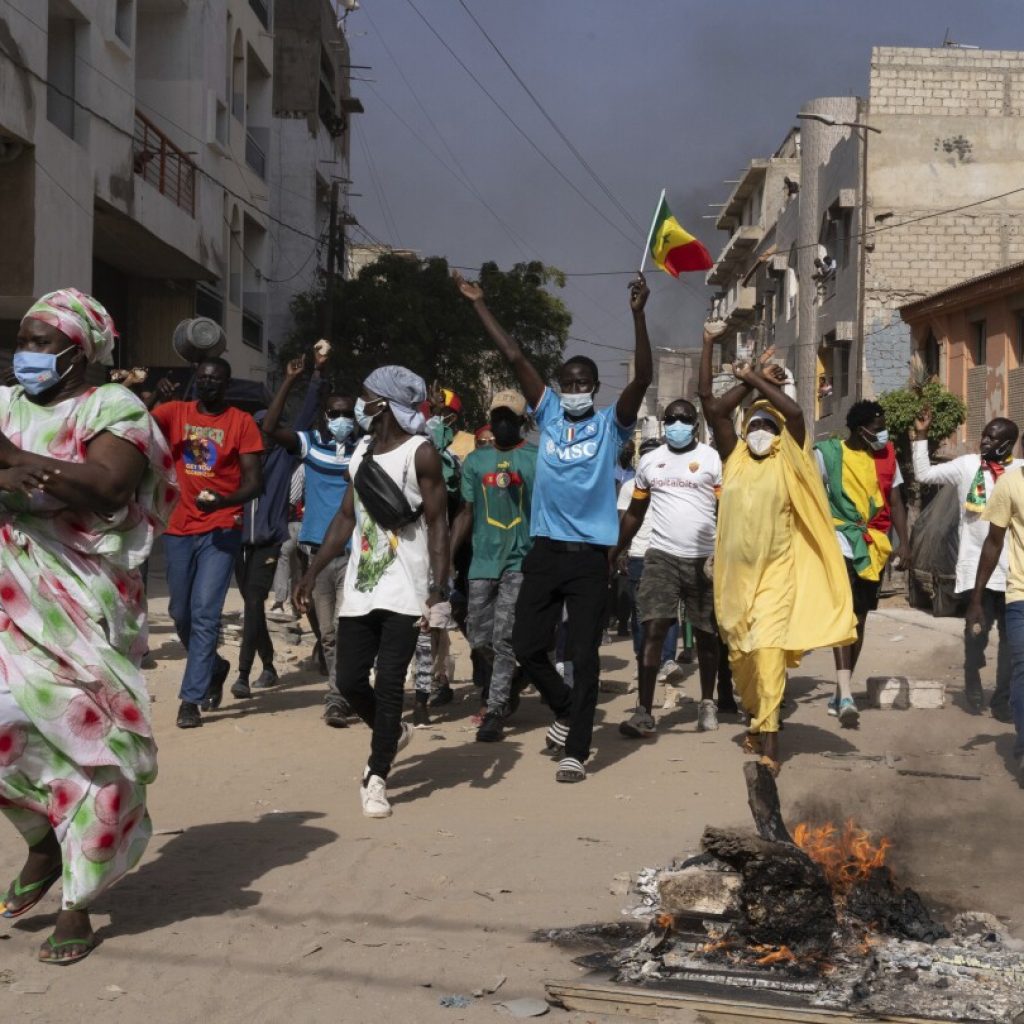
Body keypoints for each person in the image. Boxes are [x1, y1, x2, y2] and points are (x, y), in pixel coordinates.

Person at [0, 289, 176, 964]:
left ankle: (77, 904)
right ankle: (44, 839)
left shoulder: (113, 408)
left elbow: (107, 488)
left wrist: (14, 463)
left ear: (81, 351)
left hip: (83, 601)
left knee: (92, 752)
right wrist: (25, 470)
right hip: (10, 590)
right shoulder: (5, 405)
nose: (28, 353)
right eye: (24, 338)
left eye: (43, 342)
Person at [455, 269, 652, 783]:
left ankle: (578, 750)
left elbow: (643, 379)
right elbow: (515, 357)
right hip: (542, 551)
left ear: (595, 388)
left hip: (590, 556)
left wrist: (638, 315)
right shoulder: (549, 414)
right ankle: (566, 707)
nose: (574, 391)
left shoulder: (611, 424)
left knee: (584, 654)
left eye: (583, 384)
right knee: (523, 646)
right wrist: (479, 305)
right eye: (567, 384)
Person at [699, 324, 856, 776]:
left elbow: (795, 412)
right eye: (756, 424)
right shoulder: (734, 457)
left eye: (770, 425)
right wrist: (717, 351)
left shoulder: (791, 458)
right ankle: (756, 715)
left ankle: (770, 744)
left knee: (767, 657)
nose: (763, 430)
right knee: (742, 659)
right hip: (734, 583)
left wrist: (756, 381)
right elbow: (713, 408)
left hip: (776, 579)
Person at [295, 366, 449, 818]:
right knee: (348, 680)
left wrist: (438, 588)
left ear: (381, 404)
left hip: (406, 586)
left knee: (388, 686)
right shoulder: (361, 450)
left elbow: (438, 523)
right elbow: (346, 517)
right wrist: (311, 571)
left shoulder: (421, 453)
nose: (359, 407)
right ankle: (391, 732)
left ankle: (376, 774)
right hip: (362, 586)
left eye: (365, 398)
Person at [150, 357, 263, 728]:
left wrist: (225, 500)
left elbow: (253, 482)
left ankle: (190, 700)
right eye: (201, 378)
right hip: (180, 526)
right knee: (179, 613)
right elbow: (139, 430)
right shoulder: (175, 412)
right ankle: (215, 666)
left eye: (214, 379)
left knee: (204, 613)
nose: (206, 384)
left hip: (221, 527)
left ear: (226, 384)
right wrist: (151, 396)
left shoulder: (241, 423)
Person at [613, 400, 723, 738]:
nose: (678, 423)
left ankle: (707, 702)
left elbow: (727, 506)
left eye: (684, 419)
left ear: (695, 423)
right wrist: (618, 547)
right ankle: (644, 712)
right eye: (671, 419)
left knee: (706, 634)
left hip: (703, 559)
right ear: (663, 424)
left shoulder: (710, 458)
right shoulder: (649, 461)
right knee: (652, 629)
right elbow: (635, 512)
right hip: (660, 556)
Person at [262, 354, 357, 726]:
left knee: (345, 630)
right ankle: (343, 689)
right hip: (315, 553)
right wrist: (289, 381)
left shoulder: (363, 450)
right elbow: (270, 427)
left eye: (347, 413)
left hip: (353, 553)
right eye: (334, 413)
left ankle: (339, 697)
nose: (340, 420)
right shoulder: (311, 444)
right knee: (328, 634)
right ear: (324, 415)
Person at [912, 408, 1019, 717]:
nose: (984, 442)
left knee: (1012, 645)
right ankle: (972, 675)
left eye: (992, 438)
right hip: (976, 570)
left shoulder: (1019, 471)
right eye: (984, 435)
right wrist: (921, 435)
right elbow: (924, 474)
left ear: (1009, 443)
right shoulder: (967, 466)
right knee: (976, 634)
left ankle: (1002, 700)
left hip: (1013, 572)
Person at [815, 401, 911, 726]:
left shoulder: (887, 457)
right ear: (860, 429)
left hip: (874, 546)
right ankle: (844, 694)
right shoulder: (827, 454)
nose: (883, 432)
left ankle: (842, 689)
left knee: (860, 618)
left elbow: (896, 501)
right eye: (878, 426)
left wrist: (905, 545)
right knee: (845, 615)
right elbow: (810, 496)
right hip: (840, 541)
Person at [449, 390, 537, 742]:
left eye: (509, 418)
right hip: (482, 560)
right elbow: (466, 512)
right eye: (497, 416)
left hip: (521, 558)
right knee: (478, 633)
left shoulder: (535, 459)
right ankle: (517, 675)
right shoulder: (475, 461)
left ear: (521, 422)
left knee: (502, 637)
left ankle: (496, 709)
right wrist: (448, 558)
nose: (502, 423)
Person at [229, 409, 298, 700]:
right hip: (236, 542)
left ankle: (243, 674)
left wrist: (313, 377)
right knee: (253, 606)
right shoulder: (240, 460)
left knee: (255, 602)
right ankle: (269, 664)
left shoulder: (283, 459)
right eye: (258, 427)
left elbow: (304, 415)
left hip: (268, 544)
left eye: (269, 427)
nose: (264, 432)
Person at [968, 459, 1024, 786]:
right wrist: (976, 598)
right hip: (1020, 595)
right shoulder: (1010, 484)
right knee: (1022, 669)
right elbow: (993, 542)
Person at [616, 438, 681, 694]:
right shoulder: (629, 486)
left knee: (668, 611)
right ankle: (642, 658)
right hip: (639, 556)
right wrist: (620, 550)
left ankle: (667, 660)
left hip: (667, 554)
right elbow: (624, 518)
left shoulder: (673, 484)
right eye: (646, 456)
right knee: (640, 612)